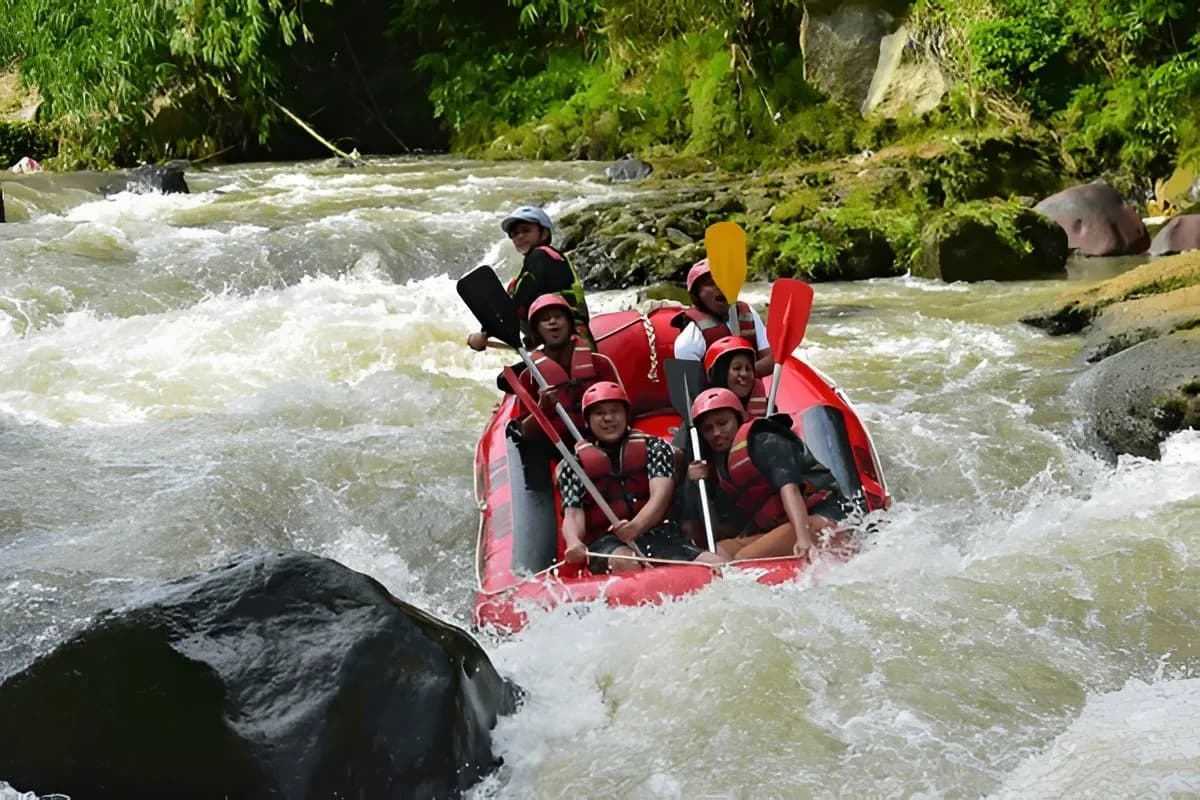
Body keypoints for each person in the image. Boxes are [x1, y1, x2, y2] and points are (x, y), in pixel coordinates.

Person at [559, 382, 727, 574]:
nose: (608, 418)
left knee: (713, 564)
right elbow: (572, 513)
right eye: (599, 413)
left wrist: (635, 527)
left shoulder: (655, 448)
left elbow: (661, 495)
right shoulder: (574, 464)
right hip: (606, 541)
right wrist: (574, 543)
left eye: (615, 411)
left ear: (626, 415)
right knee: (625, 563)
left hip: (658, 533)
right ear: (588, 421)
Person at [686, 388, 853, 561]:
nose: (716, 433)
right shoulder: (722, 467)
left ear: (738, 420)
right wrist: (696, 486)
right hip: (783, 526)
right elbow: (723, 529)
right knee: (720, 552)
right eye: (708, 429)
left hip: (823, 518)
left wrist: (803, 538)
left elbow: (790, 489)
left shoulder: (765, 440)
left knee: (744, 558)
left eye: (723, 423)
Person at [467, 205, 591, 351]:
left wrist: (485, 333)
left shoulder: (540, 256)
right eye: (514, 234)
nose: (519, 236)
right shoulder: (546, 258)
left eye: (526, 230)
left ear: (544, 234)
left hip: (569, 341)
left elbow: (520, 300)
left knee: (505, 376)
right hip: (559, 339)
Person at [515, 293, 622, 443]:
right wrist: (543, 408)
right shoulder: (529, 376)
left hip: (603, 441)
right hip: (560, 451)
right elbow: (524, 433)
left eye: (558, 317)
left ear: (570, 324)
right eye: (545, 319)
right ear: (537, 330)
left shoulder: (600, 363)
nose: (552, 322)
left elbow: (623, 412)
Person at [671, 259, 772, 376]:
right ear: (697, 295)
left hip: (752, 390)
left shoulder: (748, 314)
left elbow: (769, 358)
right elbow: (693, 388)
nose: (720, 286)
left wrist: (745, 374)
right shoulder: (689, 340)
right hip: (716, 393)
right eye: (710, 283)